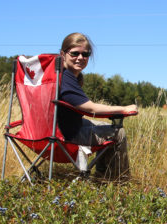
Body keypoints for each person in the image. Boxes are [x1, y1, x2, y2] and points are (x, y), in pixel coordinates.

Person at [57, 32, 137, 180]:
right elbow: (91, 108)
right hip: (65, 135)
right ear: (63, 54)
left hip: (51, 129)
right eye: (75, 53)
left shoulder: (56, 74)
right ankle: (119, 180)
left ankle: (101, 174)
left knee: (102, 125)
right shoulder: (66, 79)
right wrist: (124, 109)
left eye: (85, 54)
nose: (80, 58)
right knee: (117, 132)